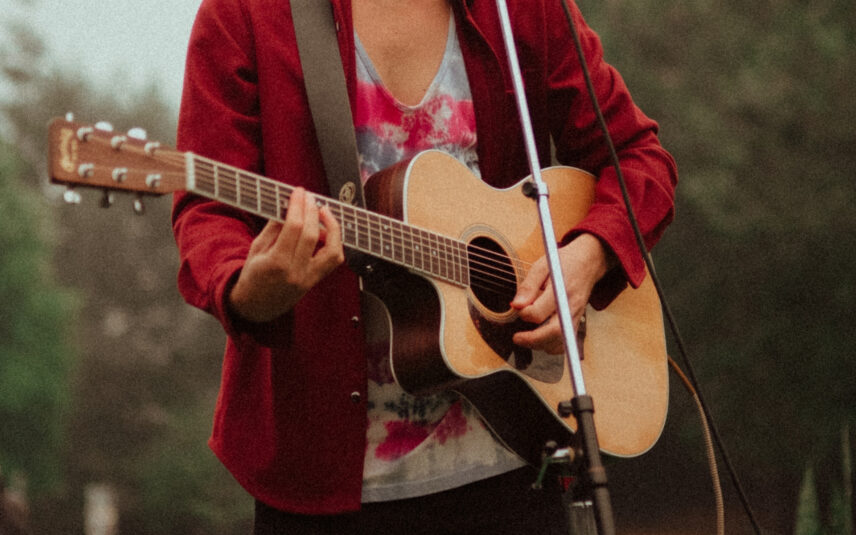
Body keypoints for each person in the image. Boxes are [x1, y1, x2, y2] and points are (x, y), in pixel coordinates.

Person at [171, 0, 677, 533]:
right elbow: (207, 211)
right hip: (323, 482)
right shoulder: (244, 13)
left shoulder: (520, 8)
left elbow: (637, 157)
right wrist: (250, 289)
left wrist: (586, 255)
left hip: (521, 456)